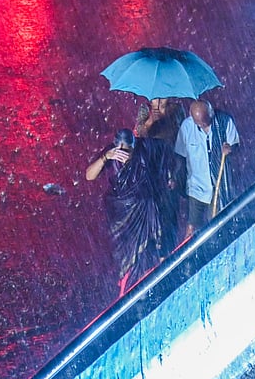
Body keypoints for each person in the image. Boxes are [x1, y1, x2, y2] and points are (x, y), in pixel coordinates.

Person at [86, 128, 178, 295]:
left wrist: (169, 175)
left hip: (145, 207)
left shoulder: (146, 147)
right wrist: (106, 157)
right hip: (121, 212)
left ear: (134, 144)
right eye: (120, 150)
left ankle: (161, 282)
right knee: (127, 254)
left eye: (127, 150)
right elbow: (89, 176)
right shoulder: (110, 154)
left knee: (153, 245)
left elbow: (167, 153)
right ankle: (127, 289)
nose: (123, 154)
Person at [174, 100, 239, 237]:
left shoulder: (225, 121)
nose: (204, 126)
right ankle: (189, 256)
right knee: (192, 227)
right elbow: (179, 156)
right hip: (196, 187)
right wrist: (175, 178)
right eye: (199, 123)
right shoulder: (186, 127)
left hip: (219, 186)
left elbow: (236, 145)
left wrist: (230, 149)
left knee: (217, 226)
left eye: (206, 121)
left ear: (211, 113)